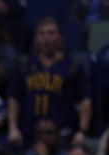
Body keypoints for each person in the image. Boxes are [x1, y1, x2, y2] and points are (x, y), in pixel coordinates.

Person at [8, 17, 92, 147]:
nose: (46, 38)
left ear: (59, 37)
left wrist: (82, 131)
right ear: (36, 38)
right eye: (42, 33)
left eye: (51, 33)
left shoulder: (73, 67)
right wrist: (13, 128)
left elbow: (85, 100)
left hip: (63, 135)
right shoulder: (24, 65)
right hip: (29, 135)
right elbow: (14, 98)